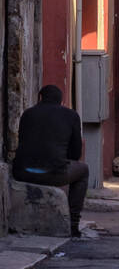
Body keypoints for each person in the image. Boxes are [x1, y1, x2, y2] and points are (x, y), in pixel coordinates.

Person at [12, 85, 89, 238]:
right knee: (83, 170)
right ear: (60, 100)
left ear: (40, 97)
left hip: (22, 172)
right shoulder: (71, 116)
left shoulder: (27, 114)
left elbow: (21, 142)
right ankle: (73, 224)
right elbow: (76, 153)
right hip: (53, 175)